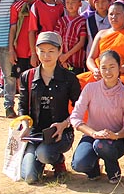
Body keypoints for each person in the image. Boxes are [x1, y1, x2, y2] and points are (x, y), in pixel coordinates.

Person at [18, 31, 82, 184]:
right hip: (35, 134)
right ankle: (38, 161)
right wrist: (25, 125)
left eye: (51, 51)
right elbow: (22, 105)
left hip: (60, 133)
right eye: (42, 51)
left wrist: (64, 124)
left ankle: (57, 160)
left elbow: (79, 108)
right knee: (29, 177)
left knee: (44, 153)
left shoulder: (69, 78)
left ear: (60, 51)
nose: (46, 55)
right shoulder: (28, 76)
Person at [70, 50, 124, 184]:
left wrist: (115, 135)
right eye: (104, 67)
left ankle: (113, 170)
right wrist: (93, 133)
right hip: (92, 136)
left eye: (112, 67)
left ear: (119, 67)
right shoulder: (90, 89)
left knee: (102, 145)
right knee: (79, 164)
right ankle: (94, 170)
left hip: (116, 140)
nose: (108, 71)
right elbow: (75, 117)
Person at [78, 3, 124, 89]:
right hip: (99, 73)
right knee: (76, 82)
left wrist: (113, 71)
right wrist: (95, 70)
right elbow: (90, 58)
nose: (114, 17)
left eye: (117, 14)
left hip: (121, 74)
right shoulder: (101, 34)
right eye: (111, 14)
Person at [28, 0, 66, 67]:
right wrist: (33, 54)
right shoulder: (36, 6)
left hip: (58, 46)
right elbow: (32, 31)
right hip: (43, 45)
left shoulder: (60, 5)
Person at [56, 0, 88, 74]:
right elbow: (56, 39)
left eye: (73, 2)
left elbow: (81, 42)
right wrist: (61, 56)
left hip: (76, 61)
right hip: (61, 60)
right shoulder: (61, 21)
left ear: (80, 4)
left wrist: (66, 55)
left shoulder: (82, 21)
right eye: (67, 2)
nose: (70, 5)